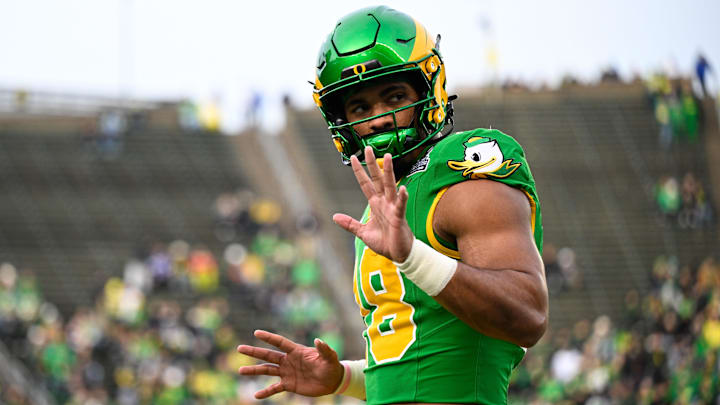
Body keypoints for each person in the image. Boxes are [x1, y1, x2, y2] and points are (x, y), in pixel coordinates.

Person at [237, 6, 548, 405]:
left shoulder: (463, 164)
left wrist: (412, 255)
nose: (379, 119)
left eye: (395, 96)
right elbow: (421, 363)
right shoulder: (377, 210)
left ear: (427, 91)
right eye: (360, 108)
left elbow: (527, 314)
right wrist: (343, 378)